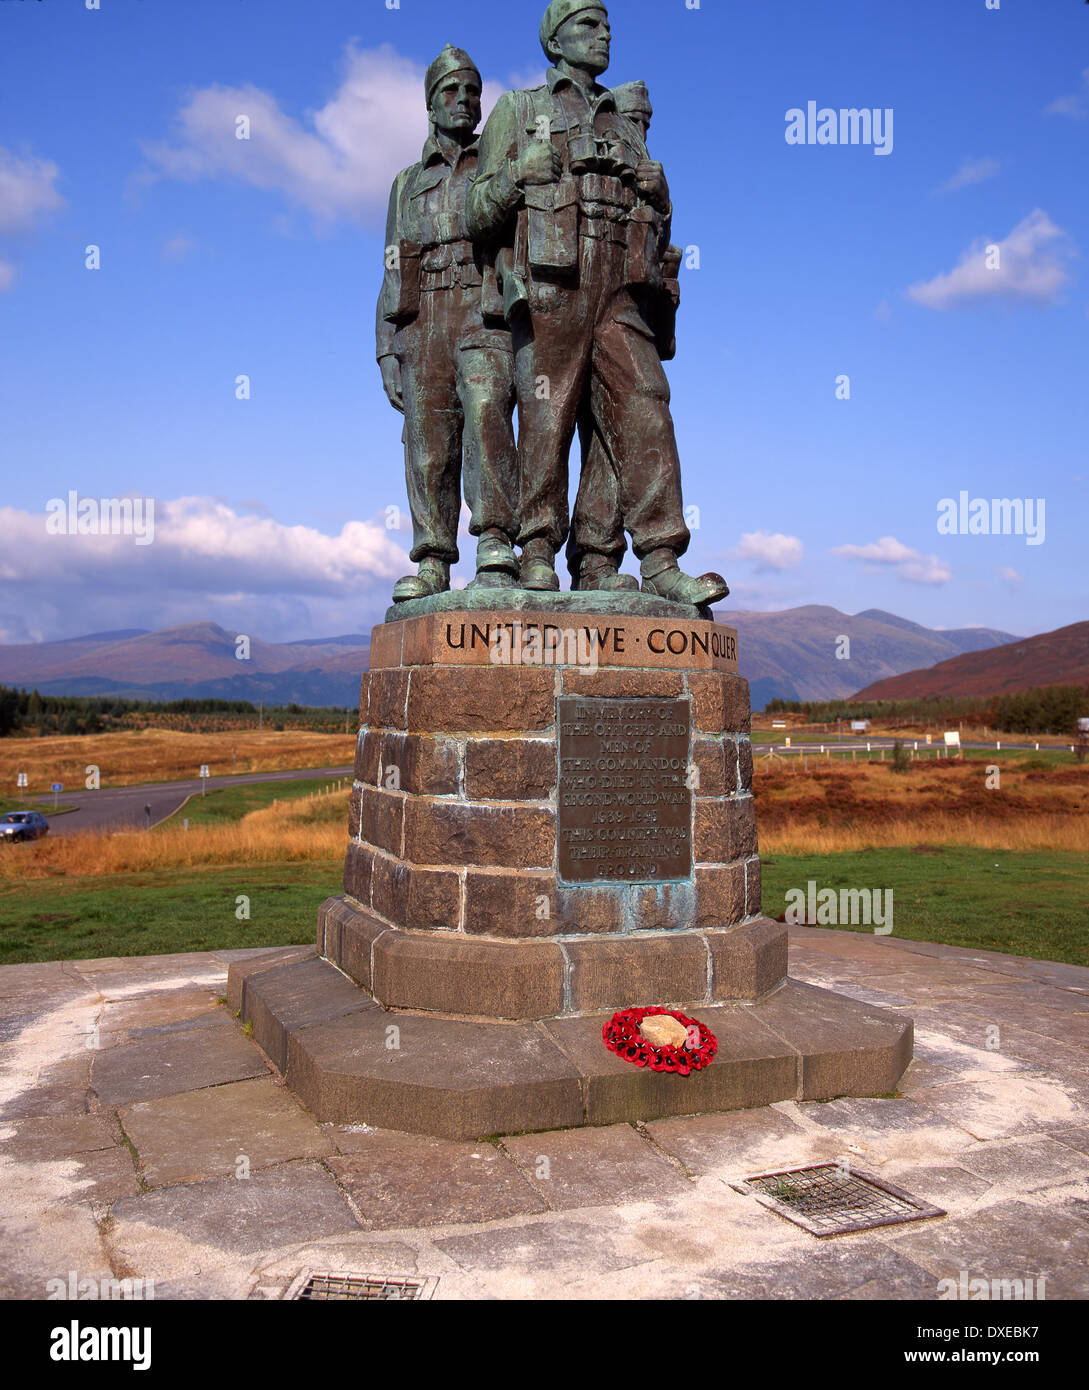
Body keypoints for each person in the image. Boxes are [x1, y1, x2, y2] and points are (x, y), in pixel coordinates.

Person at [466, 1, 727, 605]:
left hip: (620, 286)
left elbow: (656, 226)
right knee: (547, 415)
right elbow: (476, 213)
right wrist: (514, 178)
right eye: (588, 24)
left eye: (607, 24)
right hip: (554, 282)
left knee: (645, 404)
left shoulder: (623, 119)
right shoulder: (519, 109)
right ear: (554, 42)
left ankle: (656, 558)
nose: (604, 33)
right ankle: (536, 550)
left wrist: (663, 195)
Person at [377, 45, 518, 602]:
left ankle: (495, 543)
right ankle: (433, 557)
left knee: (487, 416)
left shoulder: (496, 162)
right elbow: (391, 263)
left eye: (472, 92)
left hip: (483, 309)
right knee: (427, 441)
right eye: (450, 91)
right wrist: (388, 347)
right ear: (430, 105)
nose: (464, 100)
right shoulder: (406, 182)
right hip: (424, 320)